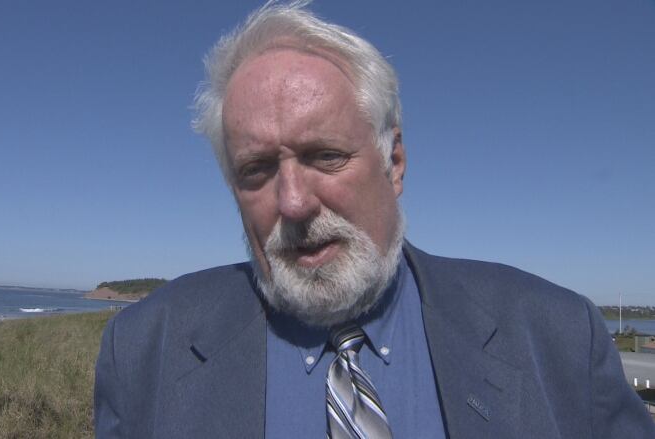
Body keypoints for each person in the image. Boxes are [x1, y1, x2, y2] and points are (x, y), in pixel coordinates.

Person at [94, 2, 655, 438]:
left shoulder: (557, 336)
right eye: (257, 170)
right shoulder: (146, 351)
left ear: (395, 163)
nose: (293, 203)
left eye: (326, 157)